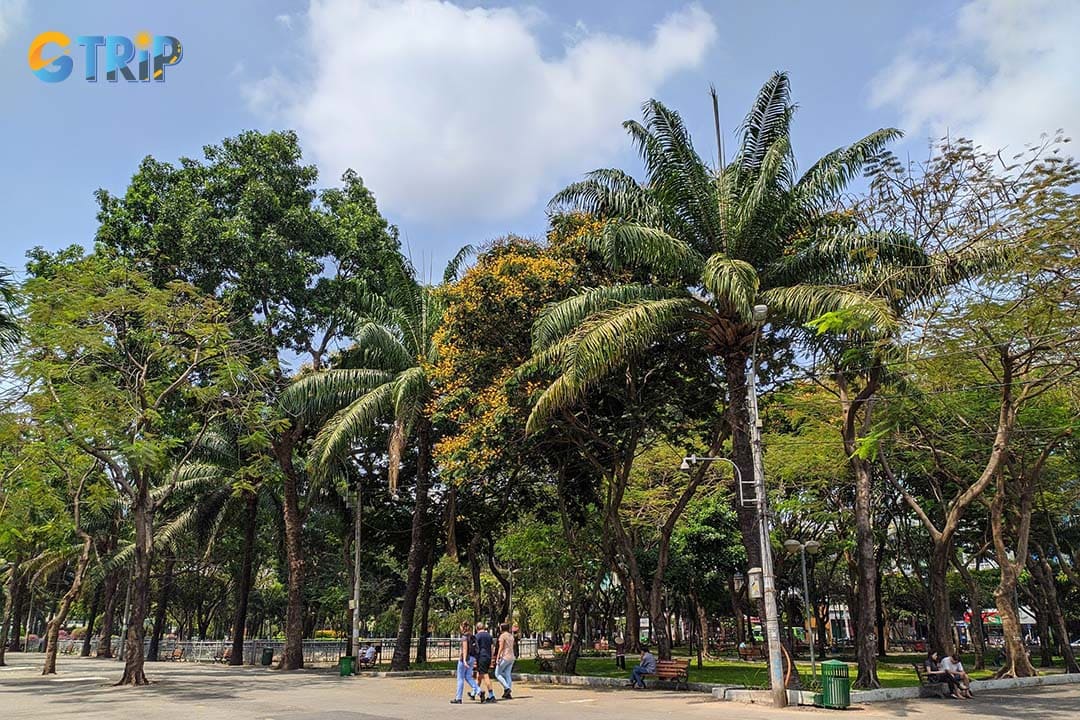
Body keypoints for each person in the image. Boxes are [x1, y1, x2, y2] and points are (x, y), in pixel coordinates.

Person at [451, 621, 480, 704]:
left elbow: (465, 649)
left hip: (465, 659)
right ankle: (478, 691)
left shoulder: (464, 637)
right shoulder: (472, 636)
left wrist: (464, 660)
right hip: (472, 658)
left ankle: (458, 698)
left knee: (460, 678)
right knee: (468, 677)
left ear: (462, 628)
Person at [475, 622, 497, 703]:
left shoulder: (477, 636)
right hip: (488, 656)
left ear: (477, 628)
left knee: (485, 675)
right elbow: (492, 647)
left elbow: (476, 648)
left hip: (481, 657)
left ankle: (491, 695)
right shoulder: (489, 636)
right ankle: (474, 692)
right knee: (479, 674)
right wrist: (491, 658)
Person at [494, 622, 516, 700]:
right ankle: (508, 693)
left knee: (497, 673)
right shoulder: (511, 636)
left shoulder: (502, 636)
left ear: (502, 628)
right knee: (507, 674)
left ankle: (507, 688)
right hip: (512, 657)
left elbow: (501, 647)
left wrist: (497, 657)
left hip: (505, 657)